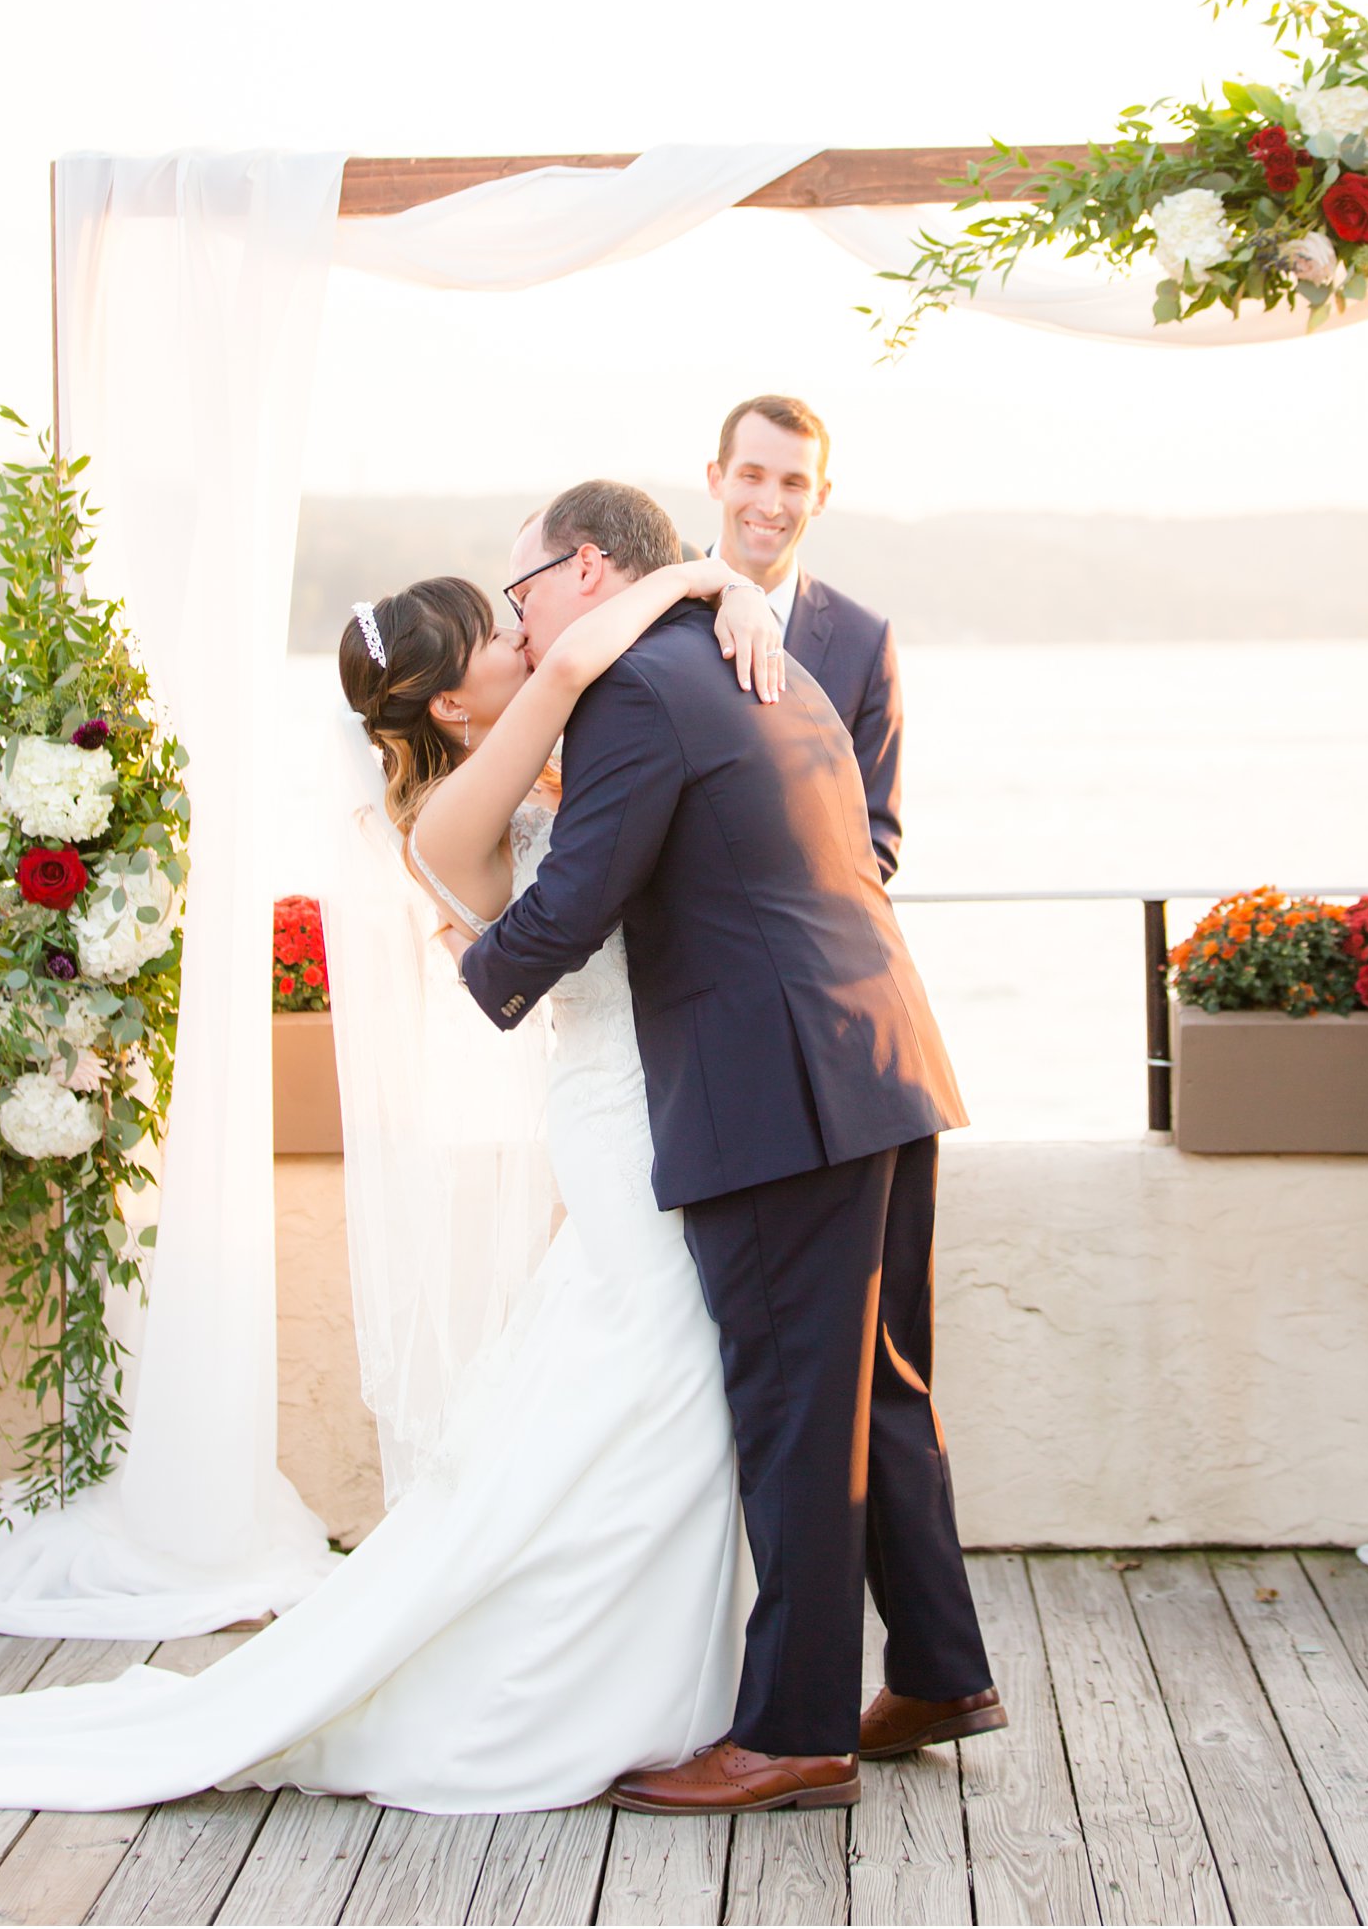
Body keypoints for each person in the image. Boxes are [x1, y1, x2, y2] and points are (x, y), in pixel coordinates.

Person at [0, 545, 782, 1816]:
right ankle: (599, 1695)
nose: (517, 637)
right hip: (622, 1118)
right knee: (661, 1390)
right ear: (455, 705)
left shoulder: (526, 769)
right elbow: (581, 654)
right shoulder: (462, 812)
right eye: (489, 634)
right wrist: (708, 575)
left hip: (643, 1110)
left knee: (639, 1402)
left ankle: (654, 1683)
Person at [461, 481, 1003, 1817]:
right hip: (879, 1051)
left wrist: (469, 968)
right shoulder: (752, 652)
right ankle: (938, 1668)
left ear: (588, 570)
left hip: (781, 1092)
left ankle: (794, 1732)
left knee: (794, 1410)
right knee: (875, 1385)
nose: (522, 631)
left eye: (523, 596)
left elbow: (578, 895)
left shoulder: (637, 688)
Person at [706, 393, 904, 881]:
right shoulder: (654, 611)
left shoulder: (865, 642)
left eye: (794, 483)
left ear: (820, 496)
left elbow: (877, 832)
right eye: (751, 476)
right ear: (717, 478)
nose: (770, 504)